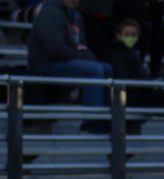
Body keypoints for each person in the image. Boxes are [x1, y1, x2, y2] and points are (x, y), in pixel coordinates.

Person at [27, 0, 113, 129]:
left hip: (66, 59)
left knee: (107, 69)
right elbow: (54, 49)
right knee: (94, 70)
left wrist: (87, 56)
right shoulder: (50, 12)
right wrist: (81, 56)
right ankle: (93, 121)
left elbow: (82, 45)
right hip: (46, 64)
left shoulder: (75, 15)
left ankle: (107, 119)